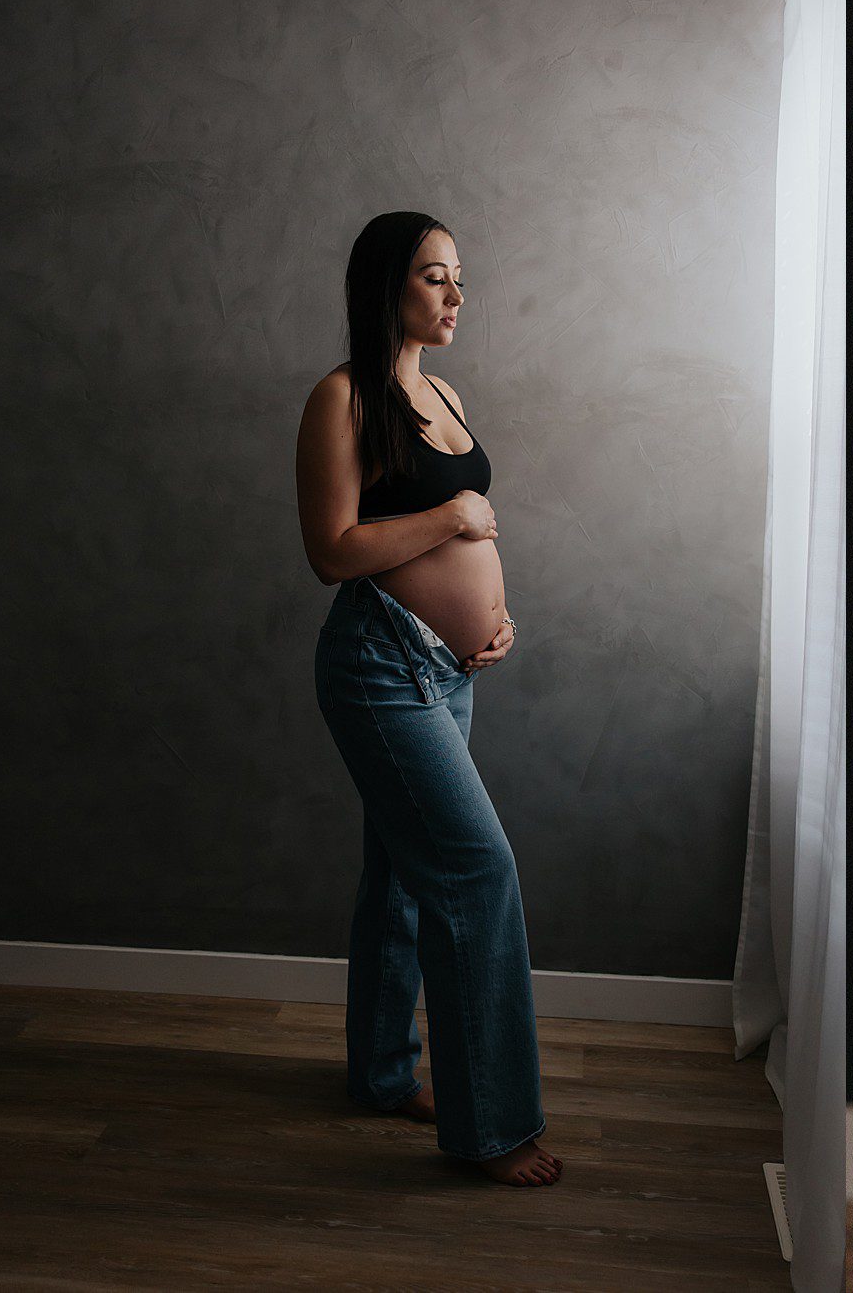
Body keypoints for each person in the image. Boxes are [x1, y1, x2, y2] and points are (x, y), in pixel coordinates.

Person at [295, 211, 559, 1187]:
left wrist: (490, 617)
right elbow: (333, 550)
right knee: (476, 871)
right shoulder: (342, 400)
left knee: (404, 877)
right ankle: (492, 1126)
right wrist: (453, 516)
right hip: (379, 669)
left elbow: (462, 546)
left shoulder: (441, 391)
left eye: (459, 278)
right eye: (435, 278)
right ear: (386, 288)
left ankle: (379, 1074)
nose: (456, 296)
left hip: (447, 671)